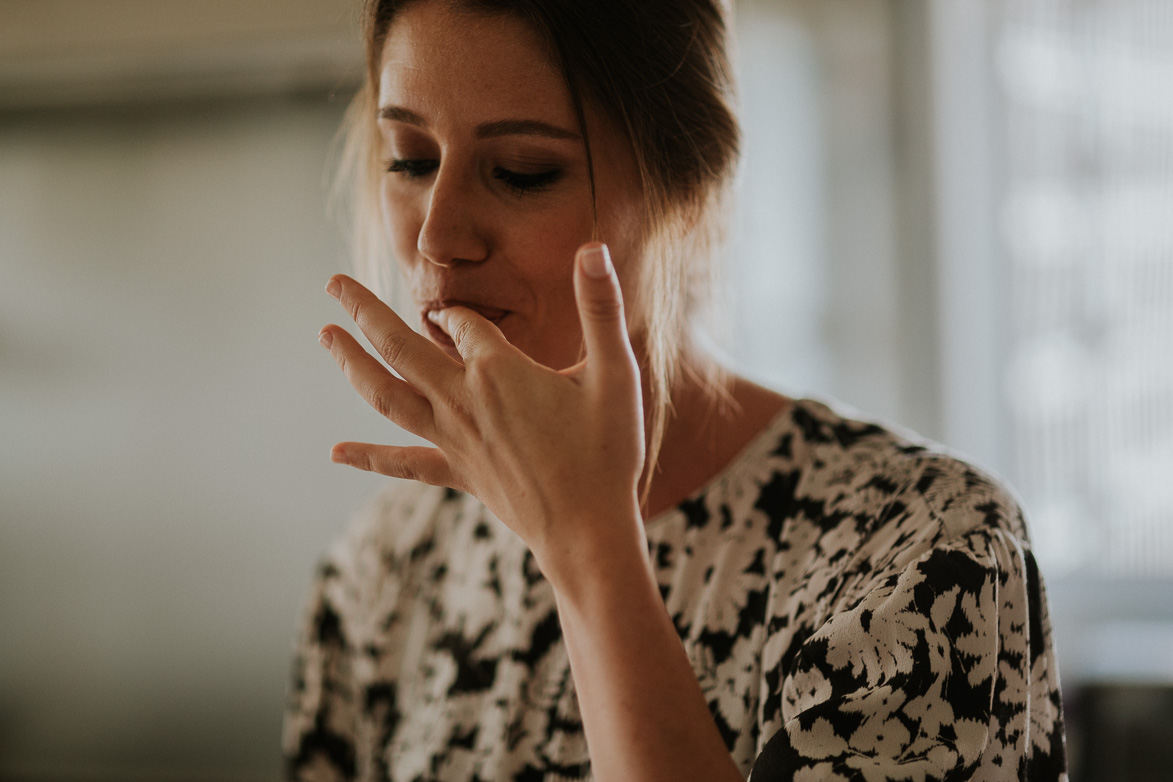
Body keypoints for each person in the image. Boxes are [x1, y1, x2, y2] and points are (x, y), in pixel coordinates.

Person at [283, 0, 1068, 780]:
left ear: (688, 184)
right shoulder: (384, 570)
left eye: (524, 172)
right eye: (410, 159)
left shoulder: (927, 553)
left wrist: (590, 551)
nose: (436, 237)